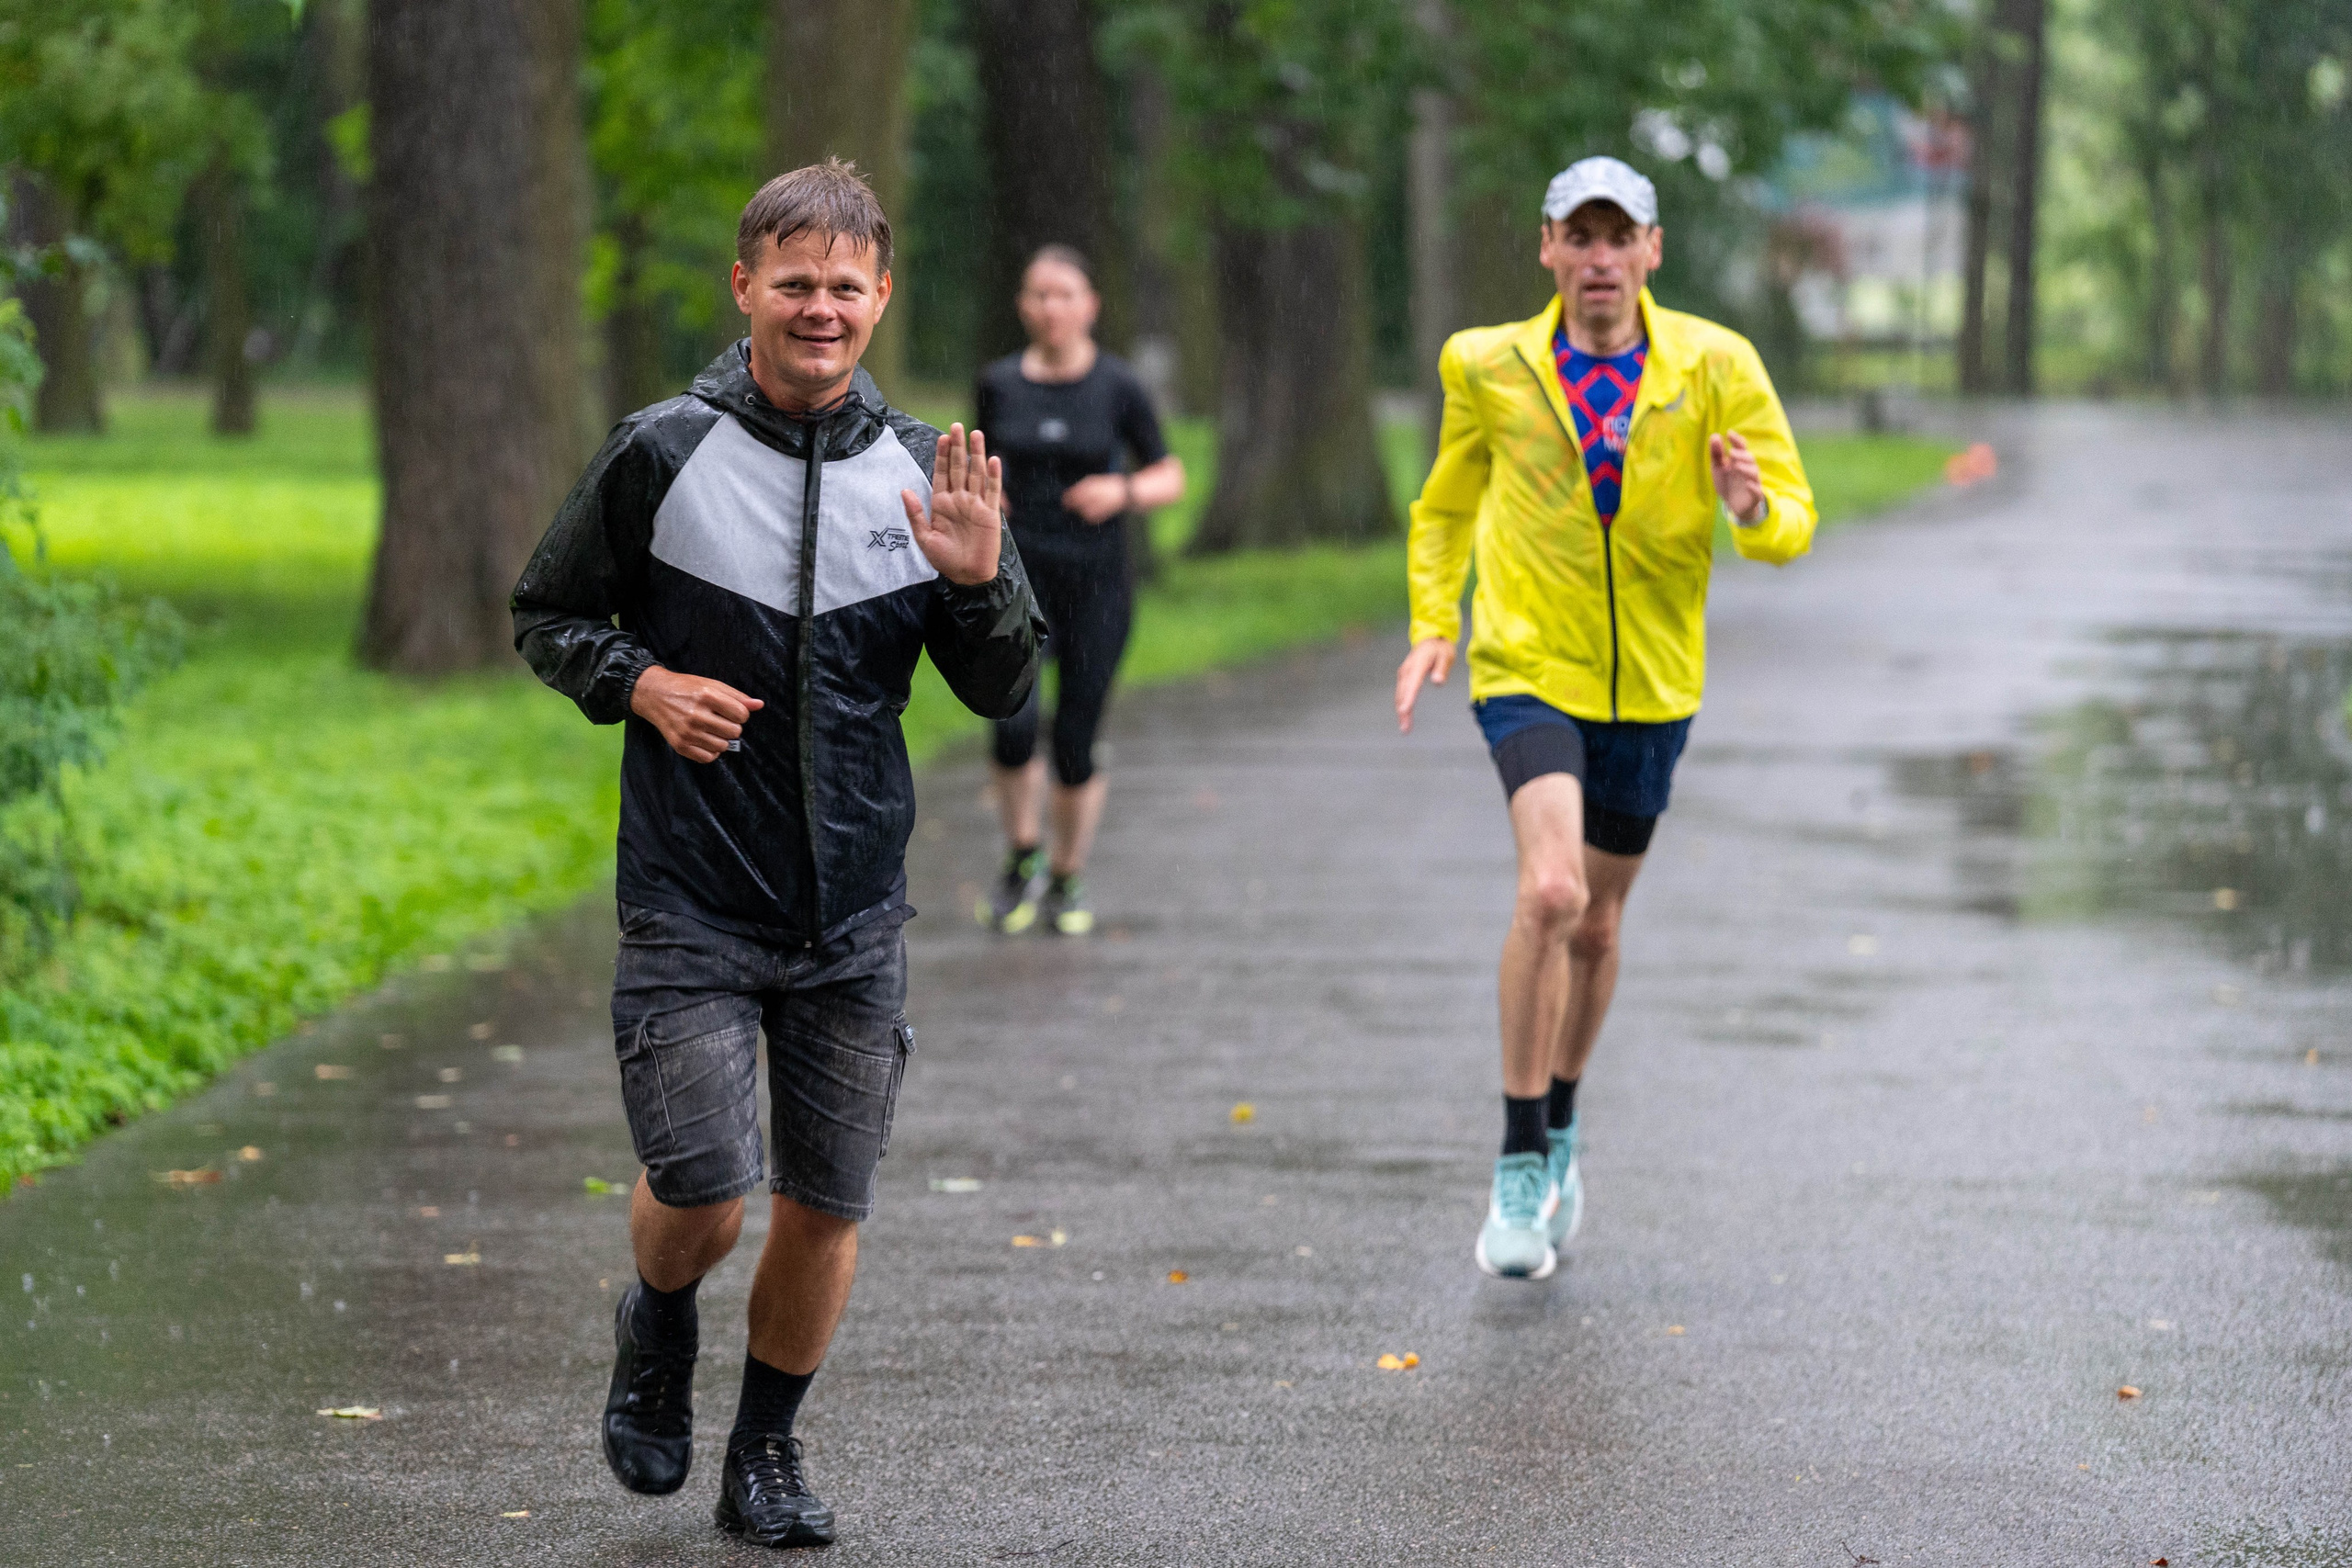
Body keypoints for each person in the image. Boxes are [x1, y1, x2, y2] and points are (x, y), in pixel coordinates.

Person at [511, 159, 1044, 1548]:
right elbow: (546, 611)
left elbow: (1005, 692)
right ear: (744, 285)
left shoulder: (930, 473)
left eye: (845, 286)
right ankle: (660, 1315)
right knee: (704, 1183)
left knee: (825, 1199)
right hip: (691, 895)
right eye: (793, 281)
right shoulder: (661, 452)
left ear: (882, 300)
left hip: (856, 908)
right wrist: (641, 682)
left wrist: (981, 585)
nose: (821, 307)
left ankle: (764, 1454)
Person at [1396, 156, 1816, 1280]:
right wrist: (1434, 620)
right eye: (1575, 237)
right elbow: (1443, 509)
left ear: (1650, 252)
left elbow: (1792, 524)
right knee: (1550, 892)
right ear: (1545, 249)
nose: (1596, 259)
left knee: (1597, 926)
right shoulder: (1485, 366)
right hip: (1528, 665)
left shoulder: (1715, 366)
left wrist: (1751, 505)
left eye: (1615, 237)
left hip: (1654, 685)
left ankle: (1565, 1119)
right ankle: (1519, 1159)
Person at [971, 245, 1186, 935]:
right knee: (1011, 725)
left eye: (1064, 295)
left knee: (1074, 739)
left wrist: (1120, 489)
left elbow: (1170, 474)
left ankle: (1067, 873)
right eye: (1038, 294)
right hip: (1018, 582)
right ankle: (1022, 858)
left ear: (1090, 305)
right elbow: (972, 459)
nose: (1050, 308)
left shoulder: (1118, 387)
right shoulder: (998, 383)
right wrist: (987, 496)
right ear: (1022, 305)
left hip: (1097, 585)